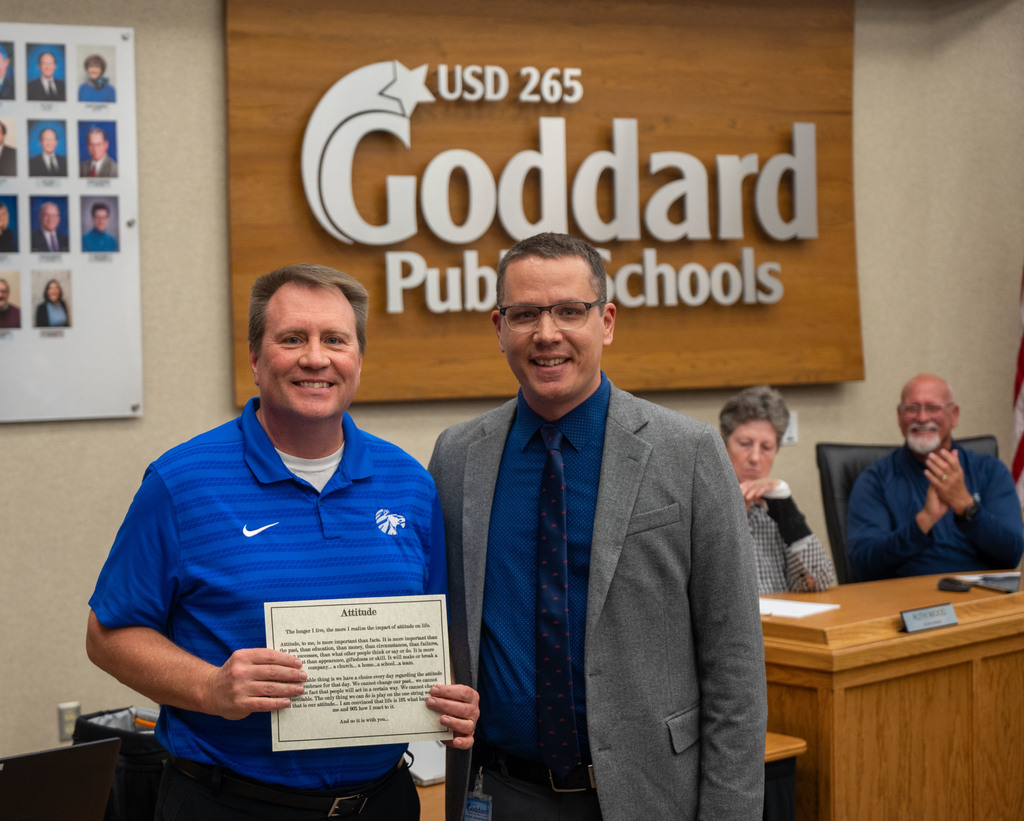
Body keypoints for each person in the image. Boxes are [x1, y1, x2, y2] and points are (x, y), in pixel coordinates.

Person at [86, 263, 479, 821]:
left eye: (334, 340)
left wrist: (452, 700)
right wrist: (211, 687)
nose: (315, 358)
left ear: (358, 361)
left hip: (383, 802)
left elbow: (434, 639)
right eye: (292, 338)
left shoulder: (409, 484)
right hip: (228, 803)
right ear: (255, 357)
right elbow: (107, 634)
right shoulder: (182, 482)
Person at [429, 233, 767, 821]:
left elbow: (734, 660)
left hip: (650, 794)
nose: (547, 333)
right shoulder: (458, 457)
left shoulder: (687, 453)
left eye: (569, 311)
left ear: (606, 321)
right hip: (499, 794)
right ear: (499, 327)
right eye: (525, 314)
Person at [847, 373, 1024, 580]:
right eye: (912, 408)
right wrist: (923, 521)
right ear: (899, 417)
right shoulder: (875, 480)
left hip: (981, 599)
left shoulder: (990, 471)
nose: (922, 418)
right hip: (904, 601)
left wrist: (966, 506)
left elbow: (1011, 555)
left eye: (933, 408)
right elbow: (863, 565)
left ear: (954, 415)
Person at [720, 385, 837, 594]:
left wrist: (786, 506)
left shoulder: (774, 509)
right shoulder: (703, 509)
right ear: (723, 444)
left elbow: (819, 581)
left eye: (766, 447)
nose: (755, 458)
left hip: (783, 624)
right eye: (745, 443)